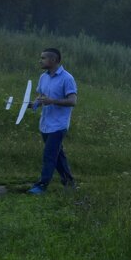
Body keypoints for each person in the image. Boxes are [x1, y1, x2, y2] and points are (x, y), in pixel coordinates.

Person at [27, 48, 77, 195]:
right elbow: (41, 96)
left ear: (53, 60)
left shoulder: (67, 78)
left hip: (59, 125)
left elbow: (73, 101)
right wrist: (34, 103)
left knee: (49, 155)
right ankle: (69, 183)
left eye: (43, 58)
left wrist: (52, 101)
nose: (40, 60)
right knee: (58, 155)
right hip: (45, 124)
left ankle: (41, 185)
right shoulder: (43, 77)